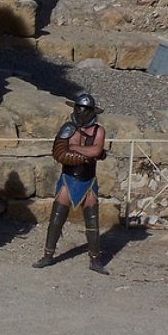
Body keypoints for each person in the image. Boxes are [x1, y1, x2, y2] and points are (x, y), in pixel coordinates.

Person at [32, 93, 109, 275]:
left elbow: (96, 150)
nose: (81, 112)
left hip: (88, 179)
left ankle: (95, 259)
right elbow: (59, 152)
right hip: (68, 178)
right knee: (57, 218)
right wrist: (85, 155)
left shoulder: (98, 131)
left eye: (85, 109)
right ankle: (48, 255)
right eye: (79, 108)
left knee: (92, 220)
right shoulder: (67, 128)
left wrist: (75, 149)